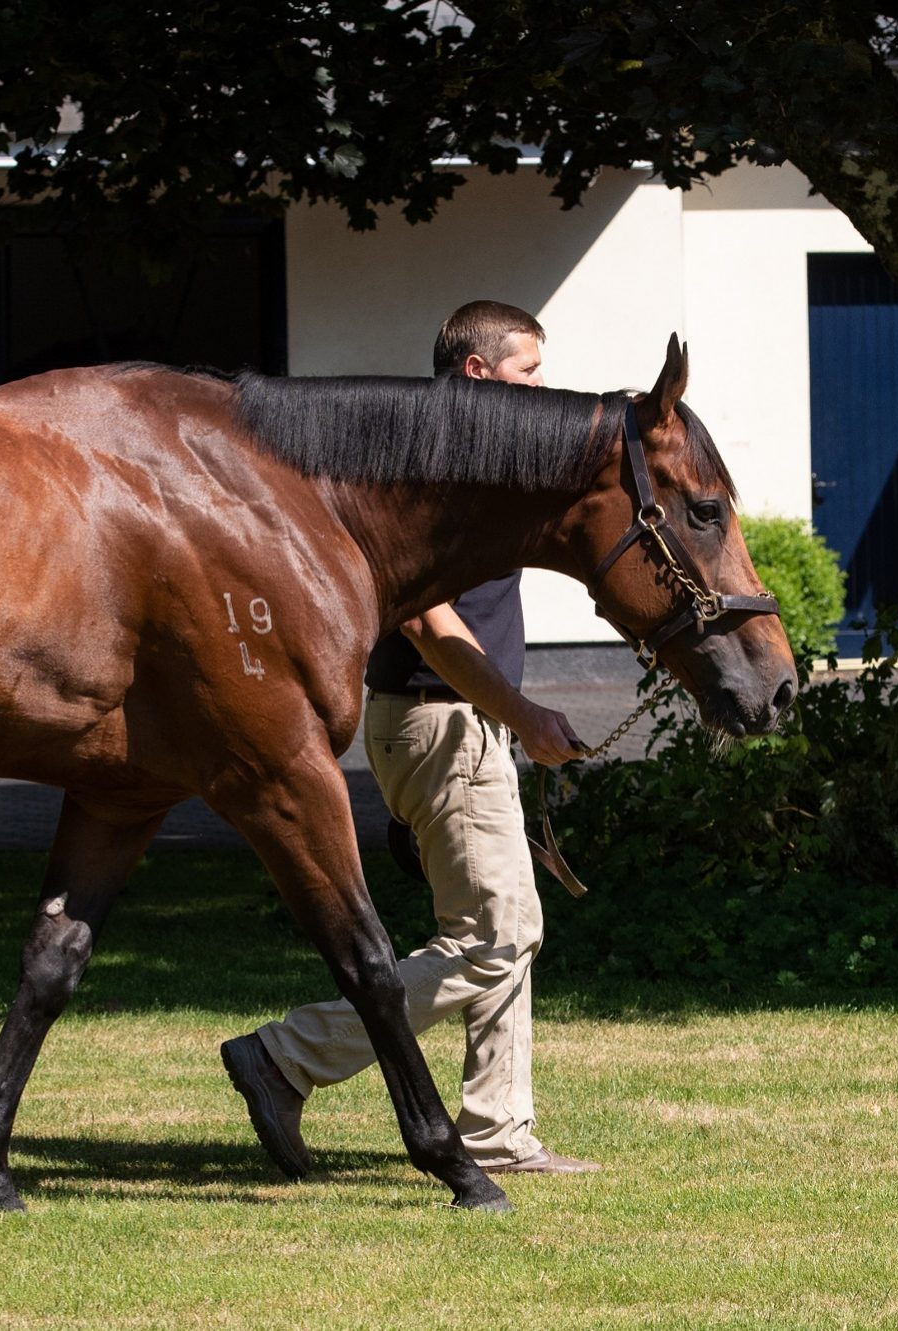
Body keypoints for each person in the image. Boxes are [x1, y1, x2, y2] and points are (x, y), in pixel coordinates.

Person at [221, 300, 601, 1177]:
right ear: (477, 375)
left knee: (503, 923)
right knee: (494, 935)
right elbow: (430, 625)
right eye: (528, 372)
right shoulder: (429, 470)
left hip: (446, 721)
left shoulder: (464, 462)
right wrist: (523, 714)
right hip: (444, 716)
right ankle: (286, 1055)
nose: (543, 389)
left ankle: (498, 1130)